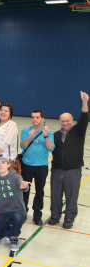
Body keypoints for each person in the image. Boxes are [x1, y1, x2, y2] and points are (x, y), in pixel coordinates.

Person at [49, 92, 88, 229]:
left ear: (72, 121)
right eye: (63, 121)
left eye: (68, 121)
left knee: (72, 196)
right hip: (57, 169)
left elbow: (83, 118)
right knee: (55, 194)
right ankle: (55, 215)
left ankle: (69, 218)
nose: (65, 123)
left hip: (73, 170)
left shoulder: (78, 131)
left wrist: (84, 102)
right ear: (60, 122)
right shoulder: (55, 135)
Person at [0, 155, 30, 252]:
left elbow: (23, 186)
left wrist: (24, 187)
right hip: (3, 213)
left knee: (17, 217)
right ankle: (9, 231)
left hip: (17, 211)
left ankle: (14, 237)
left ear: (8, 165)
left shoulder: (16, 176)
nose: (0, 165)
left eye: (3, 162)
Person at [20, 110, 54, 225]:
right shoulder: (26, 130)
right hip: (27, 165)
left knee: (39, 191)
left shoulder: (48, 132)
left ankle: (37, 215)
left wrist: (45, 136)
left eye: (37, 117)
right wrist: (29, 137)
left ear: (42, 119)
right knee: (25, 190)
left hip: (41, 166)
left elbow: (51, 148)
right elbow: (23, 145)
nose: (35, 119)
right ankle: (23, 212)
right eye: (33, 117)